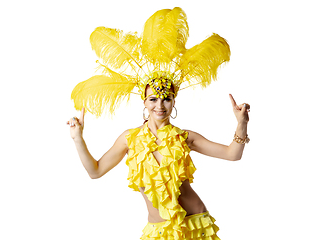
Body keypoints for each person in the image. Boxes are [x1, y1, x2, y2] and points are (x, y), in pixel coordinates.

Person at [68, 7, 250, 240]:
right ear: (144, 101)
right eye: (153, 99)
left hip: (194, 225)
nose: (160, 105)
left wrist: (241, 123)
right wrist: (77, 138)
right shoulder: (129, 139)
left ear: (174, 101)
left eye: (166, 99)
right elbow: (95, 171)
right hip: (157, 232)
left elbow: (232, 154)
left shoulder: (185, 137)